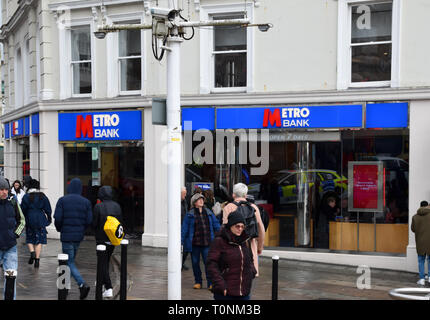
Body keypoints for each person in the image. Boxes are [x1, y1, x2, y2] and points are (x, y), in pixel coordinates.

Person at [54, 178, 93, 300]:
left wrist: (60, 229)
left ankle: (82, 284)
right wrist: (81, 229)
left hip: (66, 235)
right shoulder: (86, 202)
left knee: (68, 262)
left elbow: (58, 219)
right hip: (78, 236)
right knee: (70, 261)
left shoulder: (62, 200)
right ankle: (65, 288)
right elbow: (89, 220)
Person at [207, 211, 256, 300]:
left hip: (244, 292)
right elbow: (211, 264)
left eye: (242, 226)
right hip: (225, 293)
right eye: (237, 226)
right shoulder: (219, 241)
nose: (240, 229)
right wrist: (220, 284)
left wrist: (252, 271)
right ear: (230, 226)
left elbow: (250, 259)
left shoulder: (245, 241)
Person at [222, 183, 265, 276]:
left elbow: (225, 230)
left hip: (233, 251)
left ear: (233, 195)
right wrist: (259, 247)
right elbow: (261, 229)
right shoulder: (253, 208)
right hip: (250, 250)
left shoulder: (228, 207)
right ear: (246, 195)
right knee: (248, 284)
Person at [181, 193, 221, 290]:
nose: (201, 201)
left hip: (207, 243)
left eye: (202, 199)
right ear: (194, 202)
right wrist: (180, 241)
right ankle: (198, 282)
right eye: (199, 200)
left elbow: (216, 225)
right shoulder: (189, 215)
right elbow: (184, 229)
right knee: (195, 263)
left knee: (208, 263)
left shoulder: (209, 212)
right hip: (194, 244)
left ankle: (210, 283)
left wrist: (221, 235)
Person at [92, 185, 123, 298]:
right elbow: (120, 223)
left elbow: (94, 223)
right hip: (113, 239)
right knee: (105, 261)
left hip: (101, 239)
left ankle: (108, 287)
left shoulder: (98, 207)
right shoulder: (117, 206)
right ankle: (101, 282)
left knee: (102, 263)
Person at [0, 176, 25, 300]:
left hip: (10, 247)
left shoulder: (13, 201)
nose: (4, 192)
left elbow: (22, 220)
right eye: (1, 189)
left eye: (6, 189)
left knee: (11, 277)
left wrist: (15, 234)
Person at [20, 179, 52, 269]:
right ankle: (37, 260)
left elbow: (23, 209)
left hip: (30, 217)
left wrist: (24, 218)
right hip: (40, 217)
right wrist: (49, 218)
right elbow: (48, 208)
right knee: (39, 239)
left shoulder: (26, 196)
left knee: (30, 237)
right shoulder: (43, 196)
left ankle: (32, 252)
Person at [411, 201, 430, 286]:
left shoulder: (415, 217)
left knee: (421, 260)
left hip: (420, 242)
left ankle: (422, 279)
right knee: (429, 260)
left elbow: (413, 229)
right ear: (427, 206)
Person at [181, 186, 189, 271]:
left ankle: (182, 263)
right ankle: (180, 263)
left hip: (185, 225)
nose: (185, 195)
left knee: (186, 247)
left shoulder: (184, 201)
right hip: (180, 226)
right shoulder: (177, 202)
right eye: (184, 194)